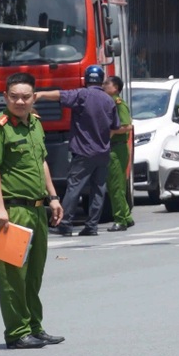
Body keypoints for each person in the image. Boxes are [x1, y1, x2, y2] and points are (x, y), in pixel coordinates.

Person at [0, 72, 65, 349]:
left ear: (33, 98)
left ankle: (34, 327)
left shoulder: (35, 124)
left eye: (25, 96)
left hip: (38, 210)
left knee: (34, 274)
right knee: (12, 276)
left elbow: (41, 164)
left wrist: (53, 197)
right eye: (14, 96)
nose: (19, 101)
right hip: (12, 211)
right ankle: (17, 333)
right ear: (5, 97)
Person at [37, 65, 120, 237]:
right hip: (103, 153)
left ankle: (65, 224)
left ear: (86, 79)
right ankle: (92, 226)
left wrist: (40, 94)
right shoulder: (109, 100)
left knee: (74, 188)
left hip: (83, 152)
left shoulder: (82, 95)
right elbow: (115, 126)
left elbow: (60, 95)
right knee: (98, 190)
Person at [103, 76, 135, 232]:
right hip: (114, 148)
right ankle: (126, 216)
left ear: (115, 88)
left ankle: (120, 220)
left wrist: (109, 133)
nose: (103, 86)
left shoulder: (117, 103)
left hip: (117, 148)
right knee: (116, 185)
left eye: (107, 84)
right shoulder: (110, 102)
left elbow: (127, 126)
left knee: (116, 186)